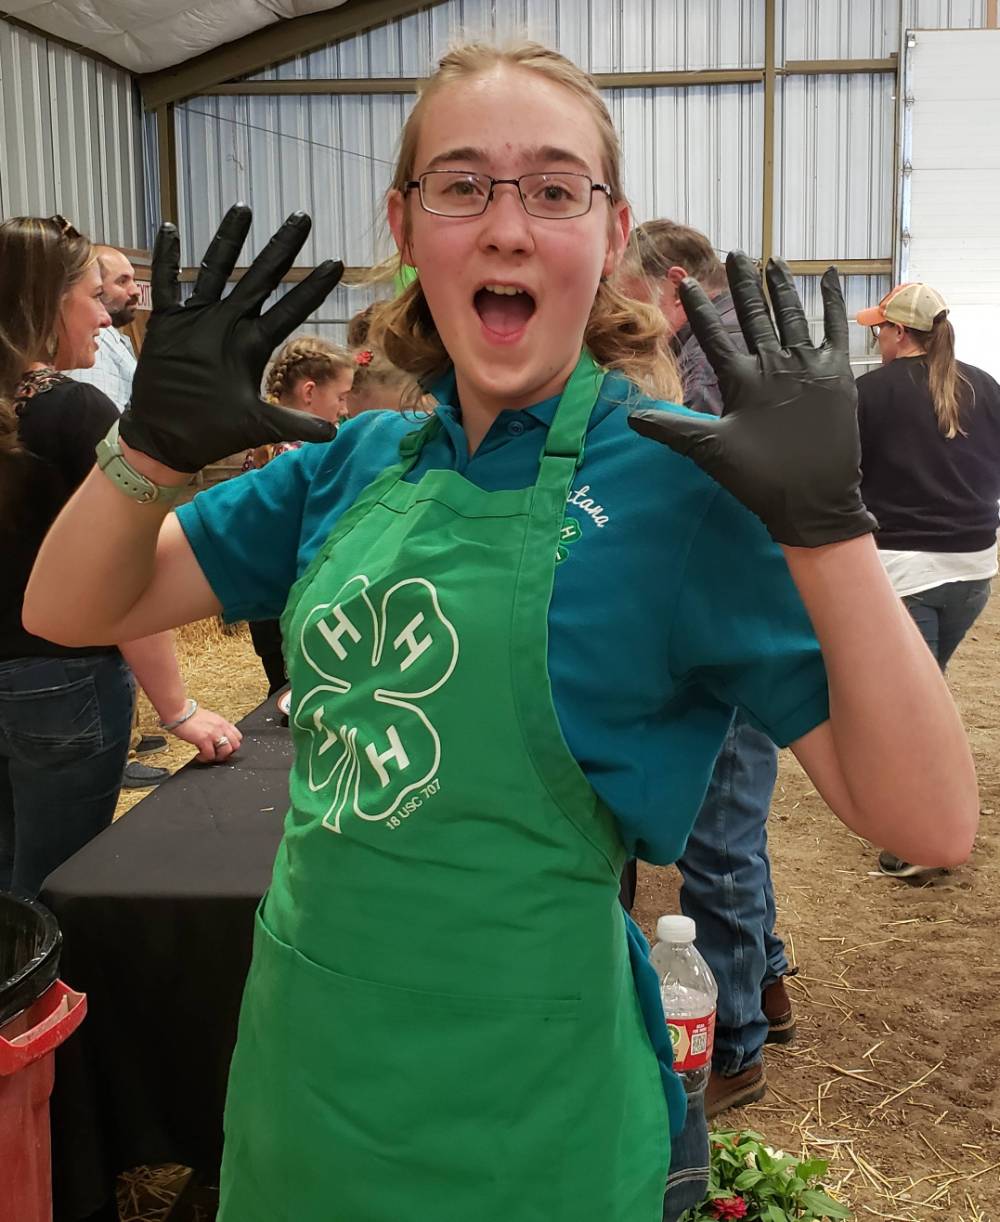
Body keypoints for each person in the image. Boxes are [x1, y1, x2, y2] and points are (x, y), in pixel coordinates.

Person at [25, 43, 977, 1222]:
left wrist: (829, 531)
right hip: (306, 1075)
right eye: (463, 184)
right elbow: (67, 608)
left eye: (554, 187)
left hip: (532, 1112)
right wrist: (149, 453)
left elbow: (927, 822)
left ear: (609, 229)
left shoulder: (682, 489)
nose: (508, 225)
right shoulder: (357, 460)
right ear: (407, 221)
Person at [0, 215, 242, 897]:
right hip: (62, 683)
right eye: (91, 299)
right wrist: (178, 710)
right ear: (47, 306)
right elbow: (126, 578)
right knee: (55, 884)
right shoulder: (77, 412)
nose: (104, 322)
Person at [622, 220, 796, 1118]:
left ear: (674, 279)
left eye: (632, 287)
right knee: (740, 823)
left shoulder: (713, 359)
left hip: (723, 626)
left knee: (719, 836)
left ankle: (732, 1050)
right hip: (745, 617)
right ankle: (766, 986)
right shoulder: (742, 350)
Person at [855, 282, 1000, 878]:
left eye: (879, 330)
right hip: (975, 566)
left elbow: (842, 473)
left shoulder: (868, 393)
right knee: (928, 693)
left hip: (905, 570)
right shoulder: (985, 386)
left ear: (898, 333)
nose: (876, 339)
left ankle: (922, 839)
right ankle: (932, 818)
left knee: (911, 711)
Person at [242, 336, 356, 693]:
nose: (344, 409)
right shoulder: (301, 455)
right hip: (294, 599)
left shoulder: (266, 444)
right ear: (309, 392)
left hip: (266, 600)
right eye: (340, 397)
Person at [66, 245, 140, 411]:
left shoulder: (111, 338)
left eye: (133, 280)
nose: (135, 290)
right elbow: (99, 428)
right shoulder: (96, 343)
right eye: (122, 281)